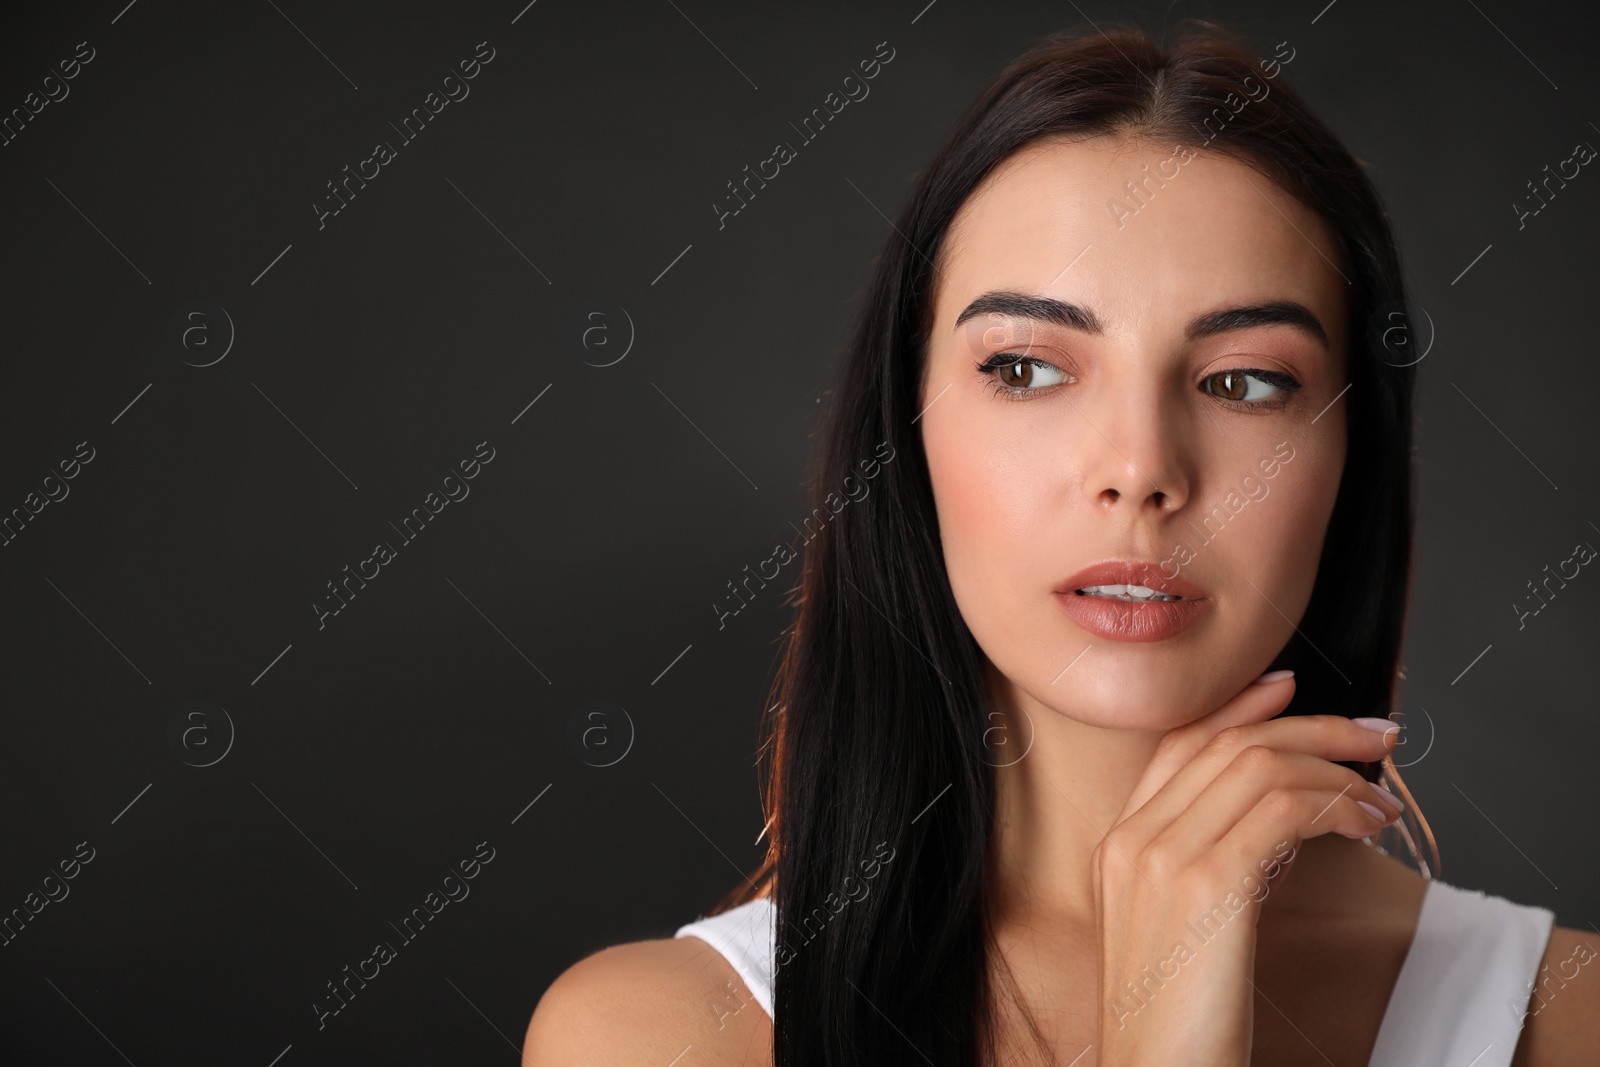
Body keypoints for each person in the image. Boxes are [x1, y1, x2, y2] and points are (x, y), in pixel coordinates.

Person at [524, 20, 1599, 1066]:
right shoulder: (651, 1038)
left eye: (1243, 381)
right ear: (907, 433)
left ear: (1350, 461)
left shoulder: (1573, 1017)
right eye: (1027, 368)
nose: (1138, 468)